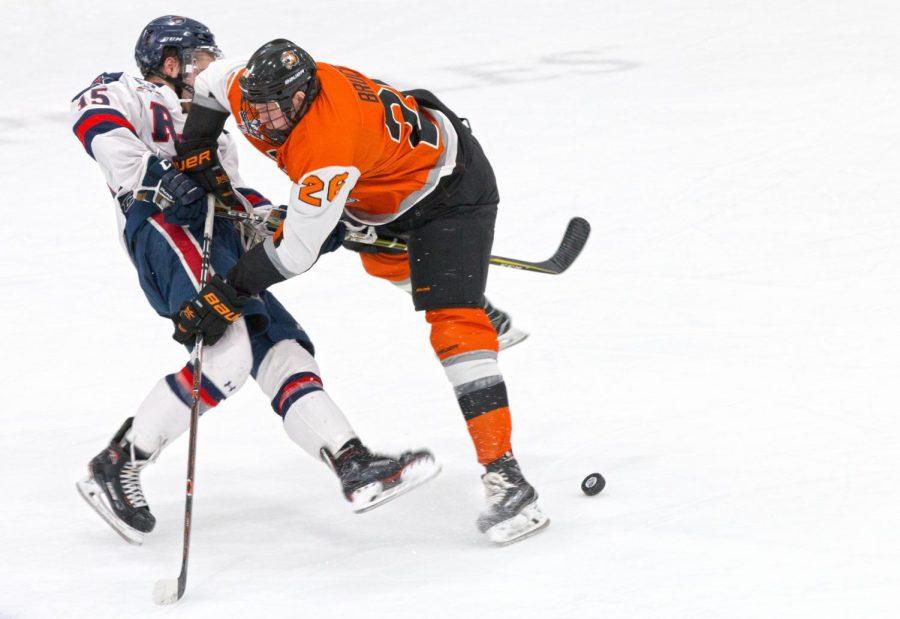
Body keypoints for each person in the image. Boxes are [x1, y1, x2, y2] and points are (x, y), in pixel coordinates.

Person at [71, 18, 438, 546]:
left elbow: (236, 200)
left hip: (215, 236)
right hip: (163, 227)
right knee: (228, 357)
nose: (206, 66)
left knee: (285, 350)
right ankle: (117, 463)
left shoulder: (211, 123)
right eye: (197, 57)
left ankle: (353, 465)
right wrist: (160, 176)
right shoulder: (121, 89)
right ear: (168, 61)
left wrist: (314, 222)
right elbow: (99, 132)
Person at [172, 39, 549, 544]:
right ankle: (471, 296)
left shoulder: (328, 146)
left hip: (451, 191)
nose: (262, 120)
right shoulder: (255, 90)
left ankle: (507, 479)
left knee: (453, 325)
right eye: (255, 105)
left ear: (303, 96)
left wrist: (228, 292)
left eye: (274, 109)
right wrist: (197, 145)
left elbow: (293, 255)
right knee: (386, 266)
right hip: (378, 189)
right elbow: (210, 85)